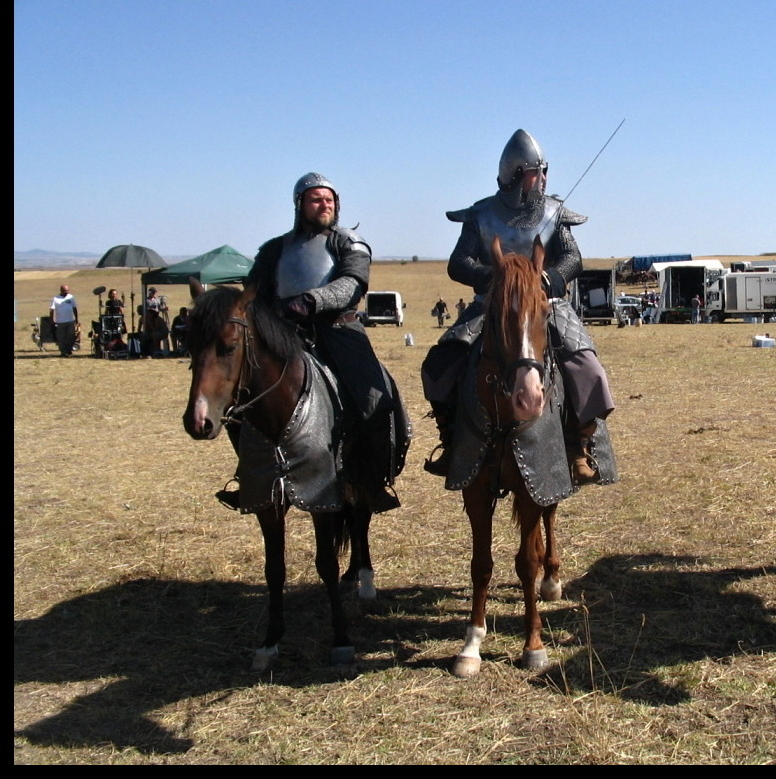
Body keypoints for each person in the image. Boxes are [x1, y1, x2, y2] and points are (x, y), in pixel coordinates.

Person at [421, 128, 615, 484]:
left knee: (589, 370)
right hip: (491, 305)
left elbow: (573, 257)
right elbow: (458, 262)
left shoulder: (554, 211)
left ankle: (579, 448)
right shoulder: (481, 214)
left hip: (546, 303)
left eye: (544, 172)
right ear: (514, 175)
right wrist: (493, 279)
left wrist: (548, 278)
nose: (542, 179)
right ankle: (451, 441)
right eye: (535, 172)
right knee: (440, 364)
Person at [223, 171, 404, 510]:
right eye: (316, 199)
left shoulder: (348, 241)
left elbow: (353, 282)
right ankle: (249, 477)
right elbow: (254, 290)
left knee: (374, 401)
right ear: (299, 204)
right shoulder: (275, 248)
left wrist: (312, 300)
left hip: (339, 330)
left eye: (329, 200)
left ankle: (370, 480)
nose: (324, 205)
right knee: (238, 405)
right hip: (285, 332)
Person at [48, 283, 79, 357]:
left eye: (68, 290)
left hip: (70, 321)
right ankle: (63, 352)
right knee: (61, 338)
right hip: (60, 322)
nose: (67, 292)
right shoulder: (55, 298)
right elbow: (52, 310)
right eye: (65, 290)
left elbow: (74, 308)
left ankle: (68, 351)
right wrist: (52, 320)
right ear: (61, 290)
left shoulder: (71, 297)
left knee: (71, 337)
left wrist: (76, 318)